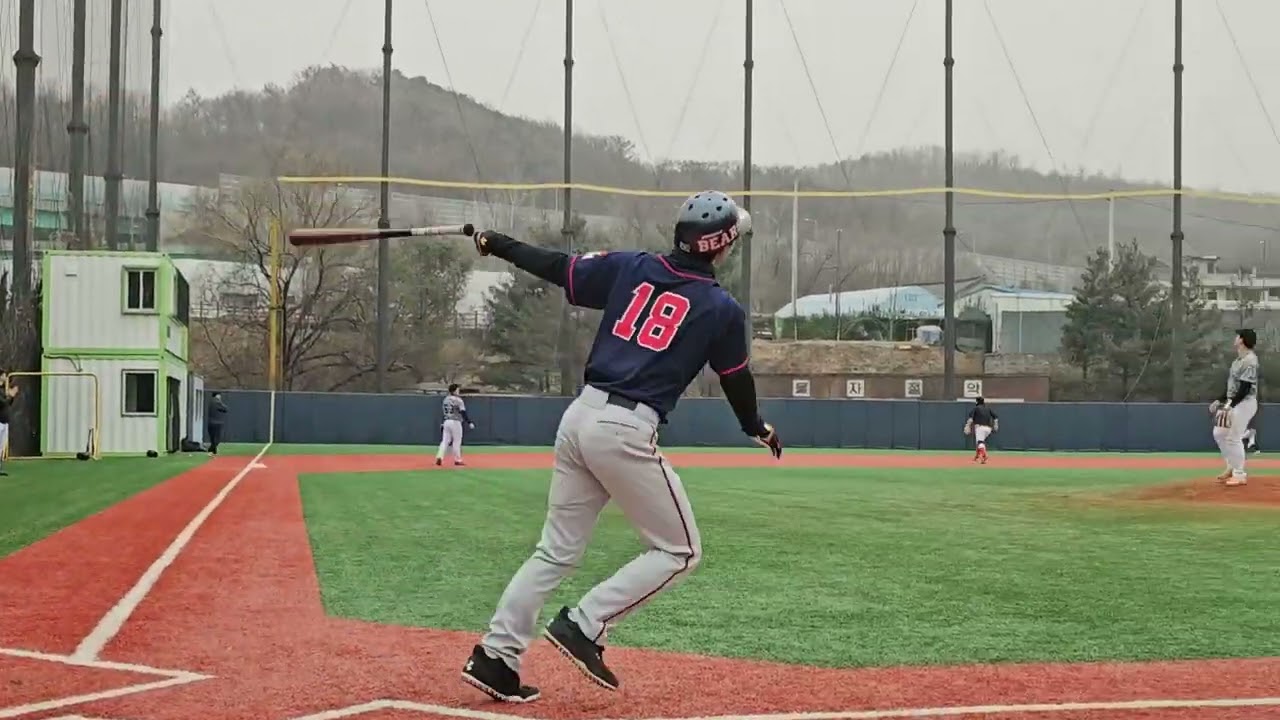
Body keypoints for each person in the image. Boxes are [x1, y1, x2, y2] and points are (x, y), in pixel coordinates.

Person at [460, 191, 782, 703]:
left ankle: (497, 657)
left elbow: (558, 266)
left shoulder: (633, 266)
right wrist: (756, 426)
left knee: (556, 550)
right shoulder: (721, 308)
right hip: (624, 427)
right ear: (720, 247)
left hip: (579, 415)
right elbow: (735, 379)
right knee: (680, 550)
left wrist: (498, 245)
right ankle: (585, 623)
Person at [1211, 328, 1259, 487]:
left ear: (1243, 340)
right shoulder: (1237, 361)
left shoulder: (1250, 360)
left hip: (1246, 403)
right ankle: (1231, 465)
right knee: (1219, 432)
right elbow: (1232, 388)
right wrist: (1220, 400)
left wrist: (1230, 404)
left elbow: (1245, 388)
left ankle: (1239, 474)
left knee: (1233, 436)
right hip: (1235, 401)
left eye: (1238, 336)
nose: (1235, 338)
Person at [436, 383, 474, 467]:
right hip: (455, 422)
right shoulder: (458, 400)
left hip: (446, 421)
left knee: (445, 441)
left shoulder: (445, 399)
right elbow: (463, 412)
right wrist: (469, 422)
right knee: (457, 441)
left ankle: (439, 456)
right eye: (457, 389)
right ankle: (458, 460)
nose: (459, 391)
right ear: (454, 390)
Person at [962, 396, 998, 464]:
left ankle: (984, 456)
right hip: (988, 429)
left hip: (980, 428)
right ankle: (976, 457)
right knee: (980, 443)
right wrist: (996, 425)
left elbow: (971, 419)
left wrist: (967, 426)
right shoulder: (988, 408)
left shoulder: (976, 408)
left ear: (977, 402)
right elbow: (995, 417)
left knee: (980, 443)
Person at [0, 375, 17, 476]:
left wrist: (12, 397)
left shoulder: (2, 390)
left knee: (1, 447)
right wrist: (10, 395)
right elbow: (2, 403)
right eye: (3, 375)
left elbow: (8, 403)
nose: (5, 377)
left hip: (4, 421)